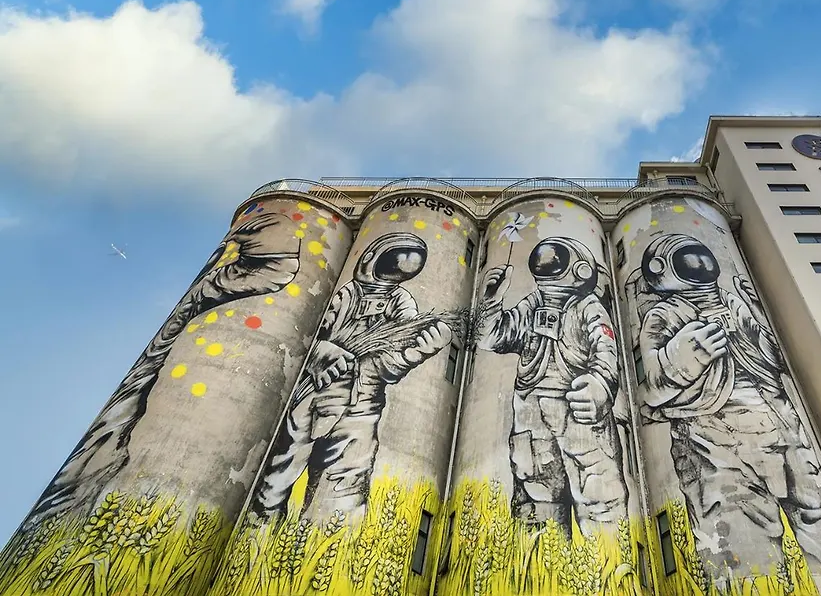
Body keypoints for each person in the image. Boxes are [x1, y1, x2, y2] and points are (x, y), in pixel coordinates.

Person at [27, 212, 302, 525]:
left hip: (135, 410)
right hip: (134, 409)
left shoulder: (224, 285)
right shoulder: (214, 289)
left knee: (102, 457)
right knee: (99, 459)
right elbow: (274, 269)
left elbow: (276, 269)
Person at [633, 234, 821, 574]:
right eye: (686, 257)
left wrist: (755, 316)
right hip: (709, 437)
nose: (696, 263)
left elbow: (774, 360)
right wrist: (688, 355)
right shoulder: (663, 315)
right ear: (661, 268)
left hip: (780, 425)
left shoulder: (733, 302)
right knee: (737, 537)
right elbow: (650, 386)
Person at [253, 232, 452, 520]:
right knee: (280, 473)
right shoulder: (345, 295)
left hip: (363, 403)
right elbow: (304, 333)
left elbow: (390, 361)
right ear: (372, 258)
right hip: (315, 393)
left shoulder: (401, 301)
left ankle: (324, 539)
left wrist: (413, 354)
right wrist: (320, 351)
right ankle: (262, 525)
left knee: (346, 487)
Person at [477, 236, 628, 537]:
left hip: (579, 408)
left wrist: (599, 384)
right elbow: (494, 337)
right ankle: (543, 561)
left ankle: (607, 559)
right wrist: (492, 303)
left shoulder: (588, 306)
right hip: (531, 413)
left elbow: (605, 347)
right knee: (536, 493)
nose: (547, 264)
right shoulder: (533, 303)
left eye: (555, 259)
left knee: (599, 491)